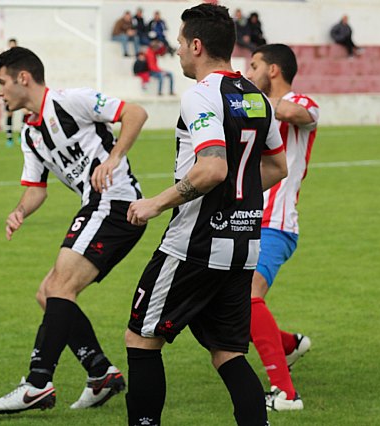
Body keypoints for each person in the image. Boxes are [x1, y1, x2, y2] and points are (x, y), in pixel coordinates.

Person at [124, 4, 287, 425]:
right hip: (244, 246)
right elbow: (275, 167)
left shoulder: (201, 93)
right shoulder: (257, 96)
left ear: (196, 46)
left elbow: (212, 167)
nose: (177, 51)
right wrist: (237, 201)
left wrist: (154, 204)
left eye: (180, 43)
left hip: (193, 246)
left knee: (142, 338)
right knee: (227, 352)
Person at [0, 46, 149, 414]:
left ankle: (37, 383)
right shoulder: (30, 134)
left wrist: (114, 157)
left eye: (1, 82)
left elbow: (135, 113)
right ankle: (100, 372)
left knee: (59, 287)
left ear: (23, 78)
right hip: (99, 207)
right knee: (49, 294)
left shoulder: (72, 101)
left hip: (115, 202)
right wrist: (19, 211)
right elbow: (36, 189)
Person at [246, 43, 319, 412]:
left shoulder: (299, 102)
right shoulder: (255, 108)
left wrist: (250, 100)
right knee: (226, 304)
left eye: (254, 65)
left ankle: (286, 394)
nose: (249, 71)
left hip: (277, 222)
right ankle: (288, 345)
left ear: (273, 70)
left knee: (247, 296)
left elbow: (298, 113)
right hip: (246, 219)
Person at [4, 38, 19, 147]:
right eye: (11, 46)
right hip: (9, 90)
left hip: (19, 89)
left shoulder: (21, 61)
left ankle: (21, 135)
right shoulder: (5, 61)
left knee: (25, 111)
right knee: (9, 112)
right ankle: (9, 137)